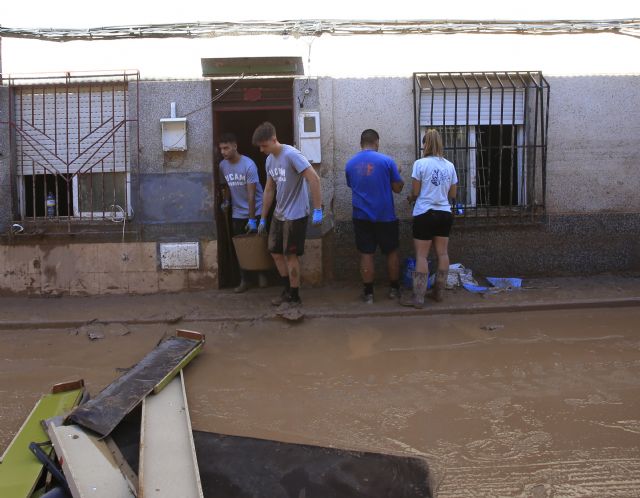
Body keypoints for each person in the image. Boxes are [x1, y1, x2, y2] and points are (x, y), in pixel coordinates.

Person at [253, 122, 323, 307]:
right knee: (275, 253)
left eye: (264, 145)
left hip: (296, 214)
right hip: (280, 213)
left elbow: (313, 178)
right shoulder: (269, 160)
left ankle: (295, 295)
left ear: (274, 139)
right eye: (259, 146)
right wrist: (263, 217)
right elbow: (269, 189)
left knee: (290, 255)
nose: (261, 150)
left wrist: (318, 208)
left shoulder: (292, 155)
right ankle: (286, 290)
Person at [345, 129, 404, 304]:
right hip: (385, 215)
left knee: (366, 253)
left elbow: (351, 185)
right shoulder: (387, 161)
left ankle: (369, 294)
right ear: (377, 142)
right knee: (391, 252)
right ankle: (394, 289)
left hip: (361, 216)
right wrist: (398, 172)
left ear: (361, 143)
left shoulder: (350, 164)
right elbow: (398, 188)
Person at [402, 128, 458, 308]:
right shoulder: (449, 166)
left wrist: (411, 198)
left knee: (421, 256)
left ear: (426, 144)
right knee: (442, 253)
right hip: (444, 213)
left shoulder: (420, 164)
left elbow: (416, 192)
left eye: (423, 143)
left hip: (425, 213)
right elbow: (453, 193)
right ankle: (439, 293)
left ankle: (418, 298)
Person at [218, 132, 266, 293]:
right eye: (221, 149)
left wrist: (252, 219)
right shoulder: (222, 166)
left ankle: (261, 274)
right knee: (241, 248)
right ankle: (245, 280)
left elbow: (252, 195)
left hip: (256, 210)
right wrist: (226, 201)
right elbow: (225, 187)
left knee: (257, 245)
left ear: (235, 146)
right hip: (237, 213)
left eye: (226, 148)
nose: (223, 152)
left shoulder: (249, 165)